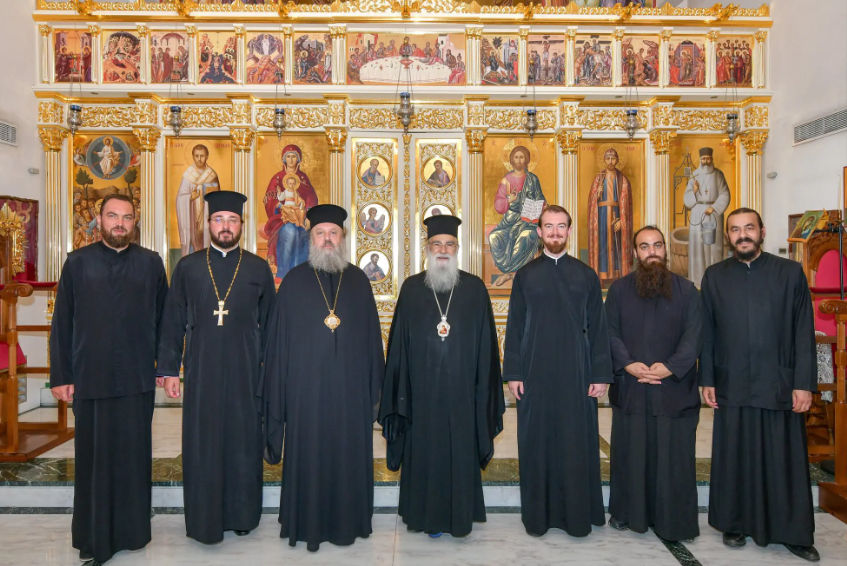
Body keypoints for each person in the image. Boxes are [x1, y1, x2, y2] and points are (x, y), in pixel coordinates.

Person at [50, 194, 168, 566]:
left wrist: (166, 367)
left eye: (127, 217)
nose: (120, 223)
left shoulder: (151, 264)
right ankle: (93, 536)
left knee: (134, 455)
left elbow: (166, 321)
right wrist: (61, 375)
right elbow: (62, 322)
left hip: (136, 377)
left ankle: (133, 531)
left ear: (136, 222)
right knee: (94, 458)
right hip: (91, 376)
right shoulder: (77, 262)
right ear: (99, 220)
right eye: (112, 216)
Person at [262, 204, 385, 552]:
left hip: (351, 393)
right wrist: (281, 390)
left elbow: (372, 341)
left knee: (348, 452)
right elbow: (279, 344)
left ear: (343, 238)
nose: (327, 239)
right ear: (310, 238)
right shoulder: (294, 282)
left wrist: (374, 389)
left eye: (334, 233)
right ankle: (307, 522)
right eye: (321, 233)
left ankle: (351, 521)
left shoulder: (359, 280)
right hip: (306, 393)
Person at [700, 208, 819, 562]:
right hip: (732, 381)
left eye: (748, 228)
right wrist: (706, 378)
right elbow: (707, 333)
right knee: (735, 453)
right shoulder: (715, 276)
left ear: (762, 231)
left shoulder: (790, 273)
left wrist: (803, 383)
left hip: (778, 382)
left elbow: (803, 333)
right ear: (728, 236)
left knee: (785, 457)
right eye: (735, 230)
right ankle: (734, 523)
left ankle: (794, 532)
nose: (742, 235)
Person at [157, 191, 275, 544]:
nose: (226, 227)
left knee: (244, 441)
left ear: (242, 225)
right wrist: (168, 370)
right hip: (201, 369)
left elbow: (271, 324)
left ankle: (242, 515)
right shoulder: (189, 267)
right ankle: (204, 519)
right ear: (208, 224)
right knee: (203, 442)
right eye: (219, 220)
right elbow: (172, 321)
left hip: (246, 371)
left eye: (233, 220)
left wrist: (270, 372)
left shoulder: (257, 268)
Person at [379, 215, 504, 538]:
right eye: (437, 244)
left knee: (460, 451)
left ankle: (461, 516)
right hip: (420, 395)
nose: (443, 250)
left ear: (458, 248)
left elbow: (487, 347)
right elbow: (399, 349)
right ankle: (424, 516)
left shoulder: (475, 289)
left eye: (449, 244)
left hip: (463, 393)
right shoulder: (411, 288)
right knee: (425, 452)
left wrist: (483, 392)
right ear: (428, 248)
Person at [504, 205, 612, 537]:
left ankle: (577, 516)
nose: (554, 233)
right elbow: (515, 327)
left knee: (576, 442)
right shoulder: (525, 275)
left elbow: (598, 329)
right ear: (539, 232)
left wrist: (600, 375)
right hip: (535, 372)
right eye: (548, 227)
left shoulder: (586, 275)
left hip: (577, 372)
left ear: (569, 231)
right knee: (537, 441)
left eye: (561, 226)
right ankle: (538, 516)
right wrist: (513, 373)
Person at [605, 226, 702, 543]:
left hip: (673, 390)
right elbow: (610, 331)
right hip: (631, 388)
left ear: (665, 249)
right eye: (644, 246)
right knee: (631, 455)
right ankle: (627, 514)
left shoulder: (687, 290)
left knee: (673, 458)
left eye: (657, 245)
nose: (652, 252)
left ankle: (673, 519)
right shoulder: (619, 290)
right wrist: (629, 364)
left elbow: (694, 336)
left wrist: (669, 368)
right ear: (635, 252)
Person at [488, 146, 546, 287]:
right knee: (494, 237)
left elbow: (540, 199)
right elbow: (498, 204)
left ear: (526, 160)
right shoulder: (506, 180)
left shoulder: (532, 179)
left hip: (528, 220)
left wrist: (544, 206)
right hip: (509, 220)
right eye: (516, 157)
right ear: (511, 160)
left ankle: (512, 274)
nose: (519, 160)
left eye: (522, 157)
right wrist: (509, 200)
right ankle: (511, 273)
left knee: (526, 236)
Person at [261, 144, 319, 281]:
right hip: (281, 218)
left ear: (298, 160)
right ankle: (284, 272)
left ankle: (302, 271)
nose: (291, 159)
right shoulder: (277, 178)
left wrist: (308, 213)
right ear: (283, 159)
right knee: (290, 232)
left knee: (304, 233)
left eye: (294, 156)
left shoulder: (303, 179)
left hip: (300, 216)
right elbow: (270, 198)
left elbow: (311, 198)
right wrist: (281, 207)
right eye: (288, 156)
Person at [683, 147, 731, 286]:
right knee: (698, 247)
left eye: (708, 158)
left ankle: (716, 281)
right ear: (700, 159)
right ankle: (697, 281)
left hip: (714, 213)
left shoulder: (718, 175)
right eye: (703, 158)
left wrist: (714, 207)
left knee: (714, 247)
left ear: (711, 158)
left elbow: (725, 194)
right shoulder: (695, 175)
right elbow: (687, 200)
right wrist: (695, 191)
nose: (706, 161)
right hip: (698, 212)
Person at [587, 148, 633, 283]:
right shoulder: (598, 178)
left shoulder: (622, 179)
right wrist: (597, 193)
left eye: (613, 158)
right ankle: (601, 276)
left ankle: (617, 276)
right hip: (601, 217)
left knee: (615, 244)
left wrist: (622, 222)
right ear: (604, 160)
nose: (610, 161)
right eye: (608, 158)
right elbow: (591, 201)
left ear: (617, 160)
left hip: (616, 215)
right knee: (602, 244)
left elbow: (626, 204)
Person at [175, 144, 220, 256]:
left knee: (206, 239)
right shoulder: (188, 175)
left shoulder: (212, 175)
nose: (199, 159)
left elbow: (218, 198)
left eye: (202, 156)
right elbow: (180, 197)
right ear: (193, 157)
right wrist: (190, 197)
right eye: (197, 156)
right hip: (192, 217)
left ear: (207, 156)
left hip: (206, 215)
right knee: (193, 242)